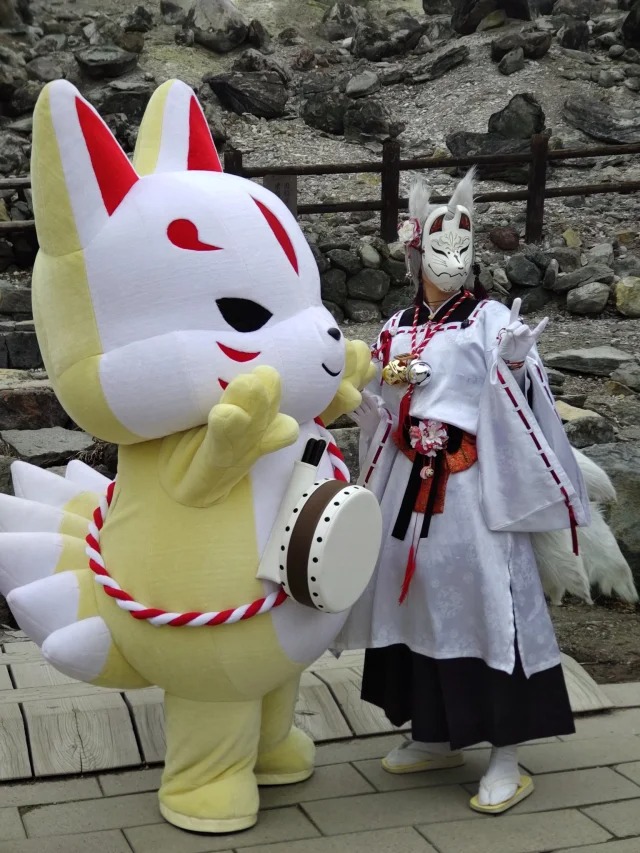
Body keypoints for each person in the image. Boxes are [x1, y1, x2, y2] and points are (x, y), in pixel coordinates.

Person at [335, 168, 591, 814]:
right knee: (412, 593)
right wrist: (370, 397)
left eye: (464, 252)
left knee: (485, 598)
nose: (453, 263)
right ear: (416, 252)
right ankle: (432, 729)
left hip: (472, 483)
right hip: (406, 483)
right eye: (440, 251)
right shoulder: (395, 326)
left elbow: (527, 395)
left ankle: (507, 753)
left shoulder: (490, 319)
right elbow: (380, 401)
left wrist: (512, 365)